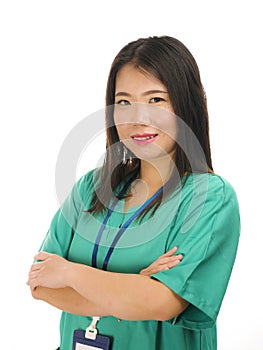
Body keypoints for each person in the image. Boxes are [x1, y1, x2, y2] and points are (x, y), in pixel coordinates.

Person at [27, 35, 240, 350]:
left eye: (155, 100)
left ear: (186, 104)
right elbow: (40, 284)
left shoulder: (209, 198)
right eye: (124, 101)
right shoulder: (91, 188)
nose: (138, 118)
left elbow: (162, 303)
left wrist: (70, 273)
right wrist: (134, 288)